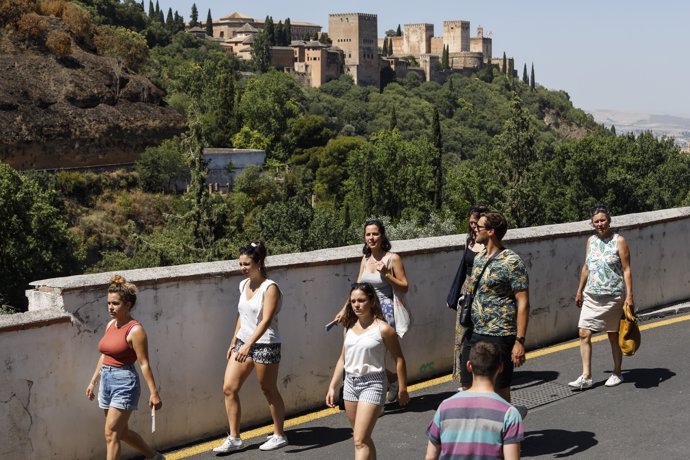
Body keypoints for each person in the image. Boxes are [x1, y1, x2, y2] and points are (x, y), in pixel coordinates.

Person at [213, 241, 288, 453]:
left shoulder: (270, 288)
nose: (242, 268)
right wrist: (234, 341)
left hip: (266, 343)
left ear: (259, 263)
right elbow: (242, 315)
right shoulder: (243, 285)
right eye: (240, 264)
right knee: (229, 388)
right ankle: (235, 438)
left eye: (246, 264)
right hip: (243, 342)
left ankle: (279, 434)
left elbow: (265, 320)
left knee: (268, 389)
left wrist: (248, 344)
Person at [326, 282, 409, 459]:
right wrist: (333, 386)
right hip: (350, 384)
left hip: (373, 384)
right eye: (353, 301)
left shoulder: (384, 329)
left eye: (361, 300)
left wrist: (403, 389)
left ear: (371, 301)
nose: (356, 304)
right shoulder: (348, 325)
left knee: (359, 440)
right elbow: (343, 358)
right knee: (362, 438)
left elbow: (399, 359)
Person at [85, 275, 164, 460]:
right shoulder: (111, 324)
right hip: (106, 380)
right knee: (121, 432)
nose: (110, 307)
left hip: (124, 383)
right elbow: (105, 355)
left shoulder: (135, 330)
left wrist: (154, 393)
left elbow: (144, 363)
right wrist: (93, 381)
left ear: (128, 305)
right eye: (108, 303)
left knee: (111, 433)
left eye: (115, 303)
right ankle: (154, 457)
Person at [459, 212, 530, 410]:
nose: (475, 229)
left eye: (479, 227)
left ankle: (506, 430)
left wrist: (520, 341)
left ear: (490, 232)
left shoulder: (512, 261)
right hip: (474, 332)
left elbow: (523, 302)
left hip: (500, 334)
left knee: (499, 389)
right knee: (467, 383)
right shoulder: (479, 258)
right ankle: (476, 429)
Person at [334, 219, 409, 403]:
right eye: (368, 234)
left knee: (376, 357)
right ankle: (391, 382)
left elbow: (404, 286)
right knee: (358, 353)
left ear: (382, 235)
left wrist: (386, 274)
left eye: (375, 233)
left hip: (384, 311)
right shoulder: (365, 259)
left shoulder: (393, 258)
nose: (371, 237)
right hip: (363, 309)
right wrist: (345, 309)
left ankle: (376, 400)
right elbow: (358, 288)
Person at [570, 205, 634, 390]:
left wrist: (630, 295)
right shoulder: (591, 240)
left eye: (603, 220)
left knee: (613, 335)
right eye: (596, 221)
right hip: (592, 294)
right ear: (592, 223)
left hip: (613, 296)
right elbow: (586, 266)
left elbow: (627, 269)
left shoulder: (619, 241)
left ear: (609, 220)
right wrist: (580, 290)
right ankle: (586, 376)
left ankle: (617, 372)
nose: (600, 223)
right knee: (583, 332)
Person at [425, 341, 524, 460]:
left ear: (469, 366)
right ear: (500, 367)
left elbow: (430, 457)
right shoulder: (510, 414)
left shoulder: (444, 407)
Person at [446, 205, 488, 388]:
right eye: (470, 223)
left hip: (482, 292)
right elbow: (463, 267)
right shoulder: (469, 240)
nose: (473, 227)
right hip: (467, 292)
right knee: (462, 335)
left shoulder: (489, 242)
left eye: (476, 223)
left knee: (479, 336)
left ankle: (480, 375)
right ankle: (464, 378)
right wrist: (455, 296)